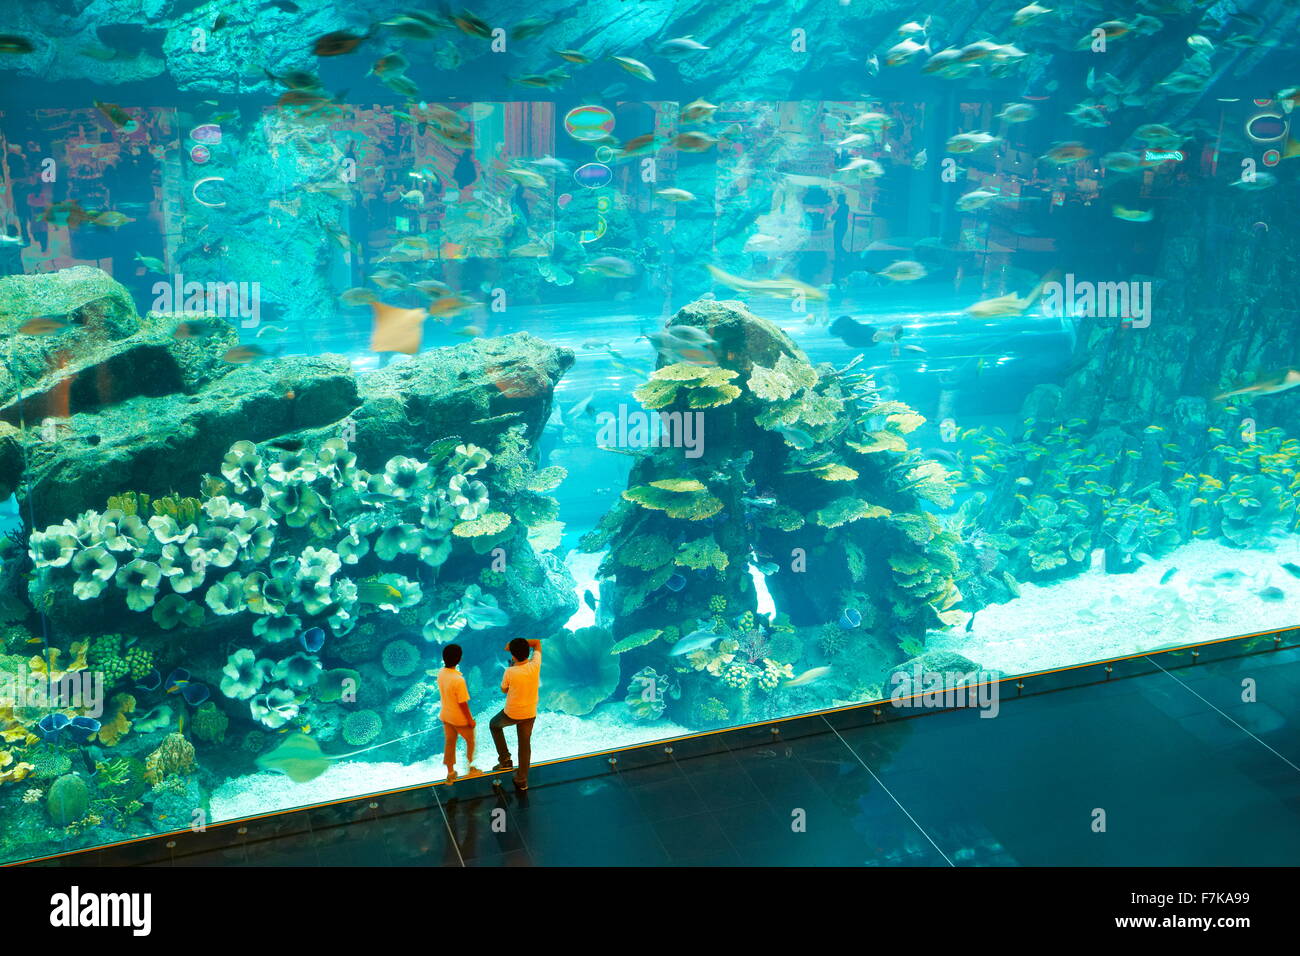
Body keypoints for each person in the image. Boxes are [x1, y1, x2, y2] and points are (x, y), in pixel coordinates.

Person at [490, 637, 542, 790]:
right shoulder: (535, 664)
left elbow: (504, 690)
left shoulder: (510, 671)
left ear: (513, 656)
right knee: (525, 745)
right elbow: (537, 642)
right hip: (530, 713)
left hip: (511, 714)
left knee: (494, 725)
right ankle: (522, 780)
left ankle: (505, 760)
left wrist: (512, 650)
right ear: (528, 652)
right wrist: (514, 645)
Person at [437, 644, 476, 782]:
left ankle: (450, 773)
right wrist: (470, 720)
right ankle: (471, 767)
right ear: (460, 659)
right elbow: (463, 703)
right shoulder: (458, 680)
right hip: (459, 719)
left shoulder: (441, 673)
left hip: (446, 716)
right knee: (470, 741)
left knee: (450, 743)